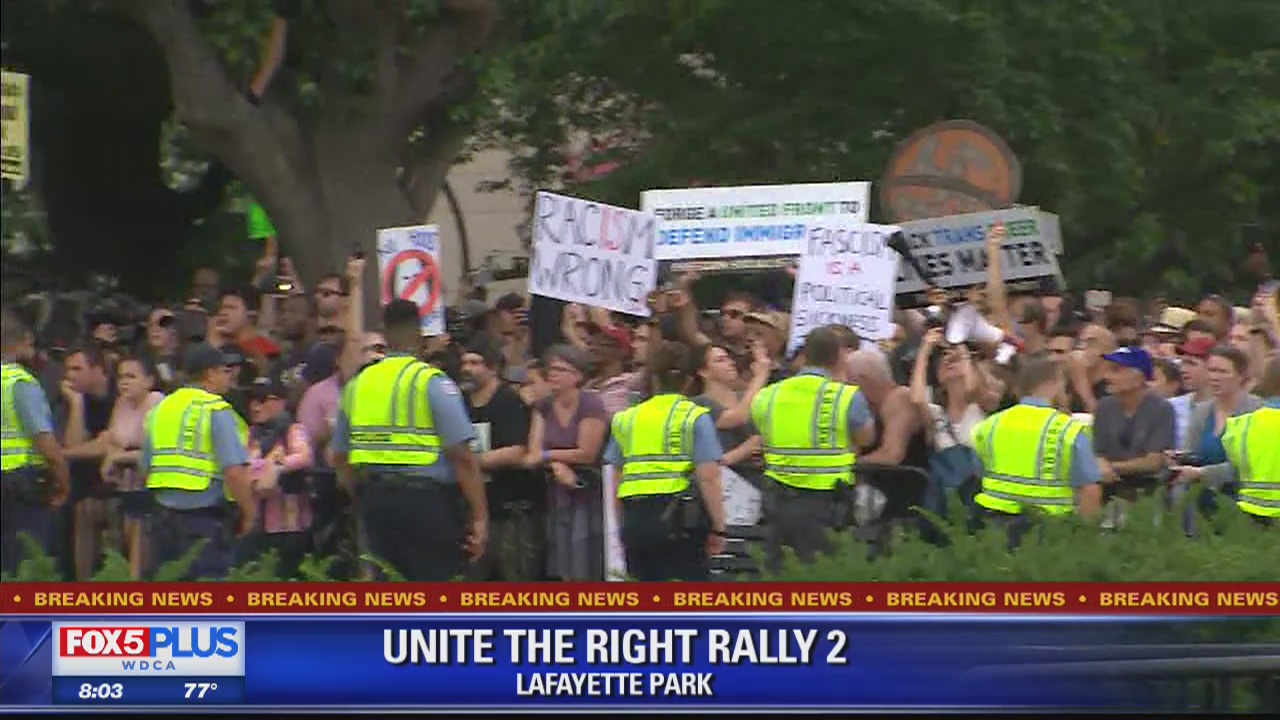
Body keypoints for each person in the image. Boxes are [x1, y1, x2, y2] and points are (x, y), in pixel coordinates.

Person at [331, 299, 487, 581]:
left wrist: (358, 498)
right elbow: (463, 457)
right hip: (426, 504)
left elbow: (340, 457)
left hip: (375, 501)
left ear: (385, 335)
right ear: (418, 334)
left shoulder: (356, 385)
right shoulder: (430, 381)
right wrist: (479, 517)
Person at [751, 326, 874, 571]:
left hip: (778, 500)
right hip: (826, 503)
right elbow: (866, 438)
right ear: (840, 357)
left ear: (804, 355)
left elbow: (764, 434)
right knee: (824, 578)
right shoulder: (846, 396)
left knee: (779, 575)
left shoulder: (768, 395)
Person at [605, 340, 726, 580]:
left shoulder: (626, 419)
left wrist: (621, 527)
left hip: (635, 519)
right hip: (680, 520)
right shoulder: (695, 416)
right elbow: (708, 477)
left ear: (654, 380)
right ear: (689, 381)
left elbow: (617, 480)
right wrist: (719, 527)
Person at [142, 343, 255, 579]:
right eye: (225, 371)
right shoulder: (214, 409)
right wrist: (249, 512)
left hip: (163, 518)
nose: (229, 377)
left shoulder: (161, 409)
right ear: (210, 373)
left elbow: (146, 466)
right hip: (204, 520)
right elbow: (234, 471)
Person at [971, 357, 1104, 546]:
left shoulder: (989, 425)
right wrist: (1087, 540)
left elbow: (979, 472)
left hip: (993, 528)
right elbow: (1090, 490)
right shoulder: (1068, 430)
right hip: (1048, 532)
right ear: (1054, 385)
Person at [460, 340, 543, 581]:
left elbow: (517, 451)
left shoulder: (508, 401)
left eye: (475, 363)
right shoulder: (460, 402)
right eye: (465, 362)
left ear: (493, 368)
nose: (466, 368)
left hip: (510, 512)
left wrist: (469, 463)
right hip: (473, 509)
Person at [1, 311, 71, 575]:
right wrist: (63, 483)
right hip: (20, 487)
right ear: (23, 341)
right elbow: (45, 443)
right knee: (27, 565)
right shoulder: (20, 383)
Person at [1172, 354, 1278, 526]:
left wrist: (1202, 473)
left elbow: (1245, 465)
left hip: (1242, 506)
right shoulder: (1202, 411)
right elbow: (1190, 452)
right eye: (1211, 370)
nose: (1214, 377)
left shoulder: (1257, 412)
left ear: (1241, 376)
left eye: (1222, 371)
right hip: (1201, 503)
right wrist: (1178, 459)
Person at [1092, 347, 1176, 529]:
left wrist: (1110, 467)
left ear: (1138, 377)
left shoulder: (1161, 409)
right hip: (1109, 491)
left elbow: (1154, 462)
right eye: (1108, 370)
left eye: (1116, 371)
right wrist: (1099, 463)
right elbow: (1097, 450)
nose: (1107, 376)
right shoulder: (1104, 407)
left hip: (1147, 492)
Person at [100, 356, 164, 579]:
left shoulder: (158, 403)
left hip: (152, 485)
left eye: (131, 376)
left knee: (138, 535)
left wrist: (118, 458)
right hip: (126, 484)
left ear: (149, 380)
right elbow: (113, 442)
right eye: (120, 377)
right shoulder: (120, 403)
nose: (124, 382)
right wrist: (110, 460)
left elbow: (156, 452)